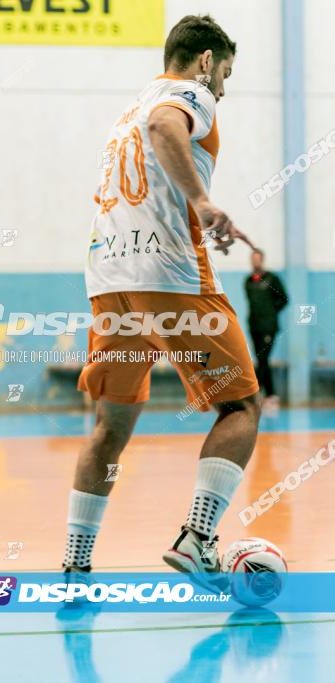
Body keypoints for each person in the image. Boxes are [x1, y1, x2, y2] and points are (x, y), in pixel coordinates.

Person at [62, 15, 261, 589]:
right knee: (241, 407)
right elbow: (165, 127)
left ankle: (75, 563)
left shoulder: (127, 107)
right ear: (204, 61)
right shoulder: (186, 96)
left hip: (107, 279)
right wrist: (201, 202)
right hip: (169, 274)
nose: (222, 87)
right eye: (224, 72)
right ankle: (198, 537)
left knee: (110, 427)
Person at [245, 249, 288, 412]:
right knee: (261, 360)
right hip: (254, 327)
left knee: (263, 359)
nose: (255, 261)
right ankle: (271, 395)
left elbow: (284, 299)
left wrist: (271, 312)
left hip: (268, 327)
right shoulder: (248, 281)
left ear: (262, 259)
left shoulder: (272, 278)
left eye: (257, 258)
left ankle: (254, 394)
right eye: (252, 258)